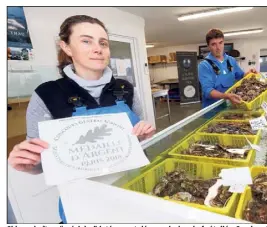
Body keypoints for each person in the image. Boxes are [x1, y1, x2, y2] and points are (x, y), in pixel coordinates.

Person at [7, 15, 156, 223]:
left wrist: (145, 135)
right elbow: (41, 163)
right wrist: (27, 163)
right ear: (66, 47)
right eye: (86, 41)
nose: (98, 48)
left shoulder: (126, 88)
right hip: (83, 201)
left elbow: (137, 140)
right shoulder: (47, 94)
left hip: (134, 190)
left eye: (103, 43)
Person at [198, 28, 257, 108]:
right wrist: (226, 96)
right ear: (208, 46)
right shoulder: (204, 65)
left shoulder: (231, 60)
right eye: (213, 44)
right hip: (212, 111)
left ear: (223, 43)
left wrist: (249, 73)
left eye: (220, 43)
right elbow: (208, 91)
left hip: (231, 107)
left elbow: (241, 76)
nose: (218, 47)